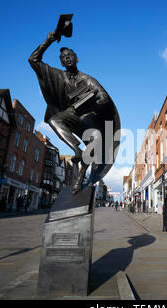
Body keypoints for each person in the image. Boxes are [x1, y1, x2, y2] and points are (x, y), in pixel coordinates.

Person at [29, 30, 119, 194]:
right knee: (54, 120)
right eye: (63, 57)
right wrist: (48, 40)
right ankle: (76, 150)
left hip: (89, 118)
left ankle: (80, 179)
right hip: (71, 114)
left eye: (70, 55)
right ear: (61, 63)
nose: (67, 58)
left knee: (95, 140)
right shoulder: (57, 75)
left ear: (76, 58)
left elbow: (103, 96)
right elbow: (33, 59)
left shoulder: (87, 79)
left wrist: (92, 105)